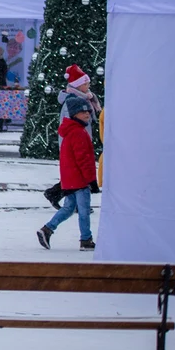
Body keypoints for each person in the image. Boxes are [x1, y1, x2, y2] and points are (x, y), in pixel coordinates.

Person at [36, 95, 99, 251]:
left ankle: (47, 229)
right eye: (83, 112)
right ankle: (86, 240)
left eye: (88, 112)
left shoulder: (70, 131)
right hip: (80, 180)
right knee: (84, 210)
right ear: (74, 114)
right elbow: (83, 159)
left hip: (70, 179)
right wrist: (91, 180)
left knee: (69, 208)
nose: (87, 114)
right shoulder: (79, 133)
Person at [43, 64, 103, 209]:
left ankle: (56, 194)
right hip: (73, 143)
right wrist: (68, 144)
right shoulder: (72, 101)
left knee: (76, 173)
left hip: (81, 139)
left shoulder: (85, 98)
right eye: (86, 83)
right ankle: (75, 204)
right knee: (77, 173)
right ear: (78, 85)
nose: (89, 86)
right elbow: (67, 125)